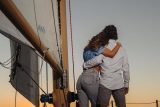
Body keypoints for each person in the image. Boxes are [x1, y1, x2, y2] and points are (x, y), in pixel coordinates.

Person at [83, 25, 130, 107]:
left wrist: (85, 65)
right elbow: (126, 68)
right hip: (118, 83)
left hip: (105, 84)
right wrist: (126, 84)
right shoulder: (122, 50)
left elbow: (97, 60)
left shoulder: (104, 48)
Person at [76, 29, 121, 107]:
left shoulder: (86, 49)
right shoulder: (98, 47)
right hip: (91, 78)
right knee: (98, 105)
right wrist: (118, 45)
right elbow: (111, 53)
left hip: (81, 79)